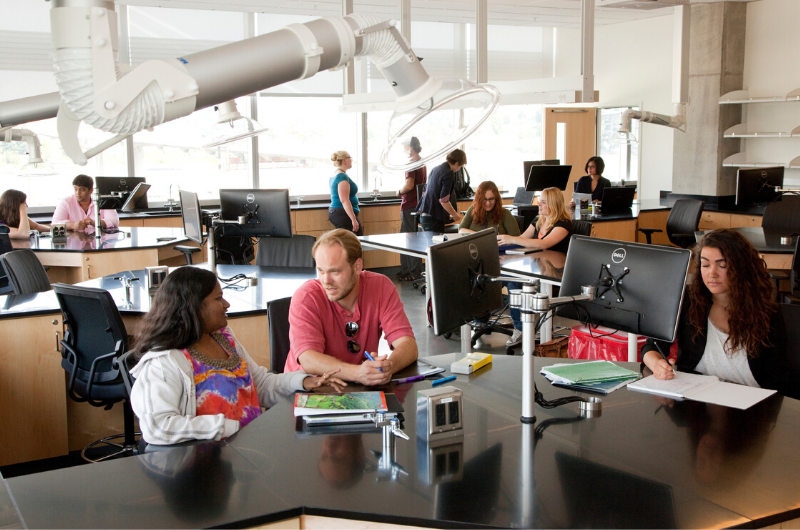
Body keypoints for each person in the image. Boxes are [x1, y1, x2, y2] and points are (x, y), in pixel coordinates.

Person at [130, 266, 345, 445]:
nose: (227, 304)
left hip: (249, 448)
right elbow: (158, 426)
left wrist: (305, 381)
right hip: (209, 464)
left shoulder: (224, 338)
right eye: (218, 298)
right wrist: (229, 427)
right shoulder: (164, 361)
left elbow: (259, 385)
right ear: (194, 307)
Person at [641, 229, 798, 399]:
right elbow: (651, 347)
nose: (712, 273)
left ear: (741, 267)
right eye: (705, 264)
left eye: (722, 265)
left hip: (751, 405)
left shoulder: (767, 312)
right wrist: (657, 364)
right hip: (696, 404)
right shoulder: (688, 300)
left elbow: (779, 380)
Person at [285, 229, 418, 385]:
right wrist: (358, 373)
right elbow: (308, 360)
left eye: (335, 271)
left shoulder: (381, 287)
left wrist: (387, 368)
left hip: (355, 389)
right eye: (320, 270)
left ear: (357, 267)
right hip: (310, 390)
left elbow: (408, 345)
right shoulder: (306, 296)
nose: (326, 280)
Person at [496, 187, 574, 347]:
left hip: (554, 277)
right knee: (499, 277)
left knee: (514, 284)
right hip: (535, 269)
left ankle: (521, 329)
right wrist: (509, 240)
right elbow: (523, 238)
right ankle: (481, 315)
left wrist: (512, 239)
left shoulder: (563, 224)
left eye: (543, 202)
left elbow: (544, 244)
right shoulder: (539, 220)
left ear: (553, 204)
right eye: (539, 202)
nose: (539, 205)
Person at [396, 137, 427, 281]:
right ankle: (409, 271)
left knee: (409, 238)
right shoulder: (422, 163)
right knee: (411, 238)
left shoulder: (411, 164)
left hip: (409, 205)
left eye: (404, 147)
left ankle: (412, 273)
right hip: (419, 204)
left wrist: (399, 192)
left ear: (410, 148)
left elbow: (409, 185)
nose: (403, 151)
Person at [416, 149, 465, 233]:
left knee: (430, 244)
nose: (459, 169)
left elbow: (426, 191)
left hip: (424, 214)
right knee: (437, 245)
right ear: (457, 163)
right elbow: (444, 201)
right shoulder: (448, 173)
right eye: (460, 166)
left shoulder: (436, 169)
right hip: (434, 218)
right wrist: (455, 215)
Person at [52, 175, 119, 232]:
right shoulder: (65, 202)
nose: (78, 193)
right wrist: (73, 225)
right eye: (75, 189)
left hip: (99, 241)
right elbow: (55, 223)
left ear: (91, 190)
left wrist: (95, 223)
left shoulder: (102, 200)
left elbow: (114, 221)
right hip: (74, 243)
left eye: (82, 190)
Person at [328, 151, 362, 236]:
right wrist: (353, 219)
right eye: (350, 158)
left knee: (348, 242)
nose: (351, 160)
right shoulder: (342, 176)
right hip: (343, 213)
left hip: (338, 212)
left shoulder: (336, 174)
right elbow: (344, 200)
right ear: (344, 160)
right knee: (354, 242)